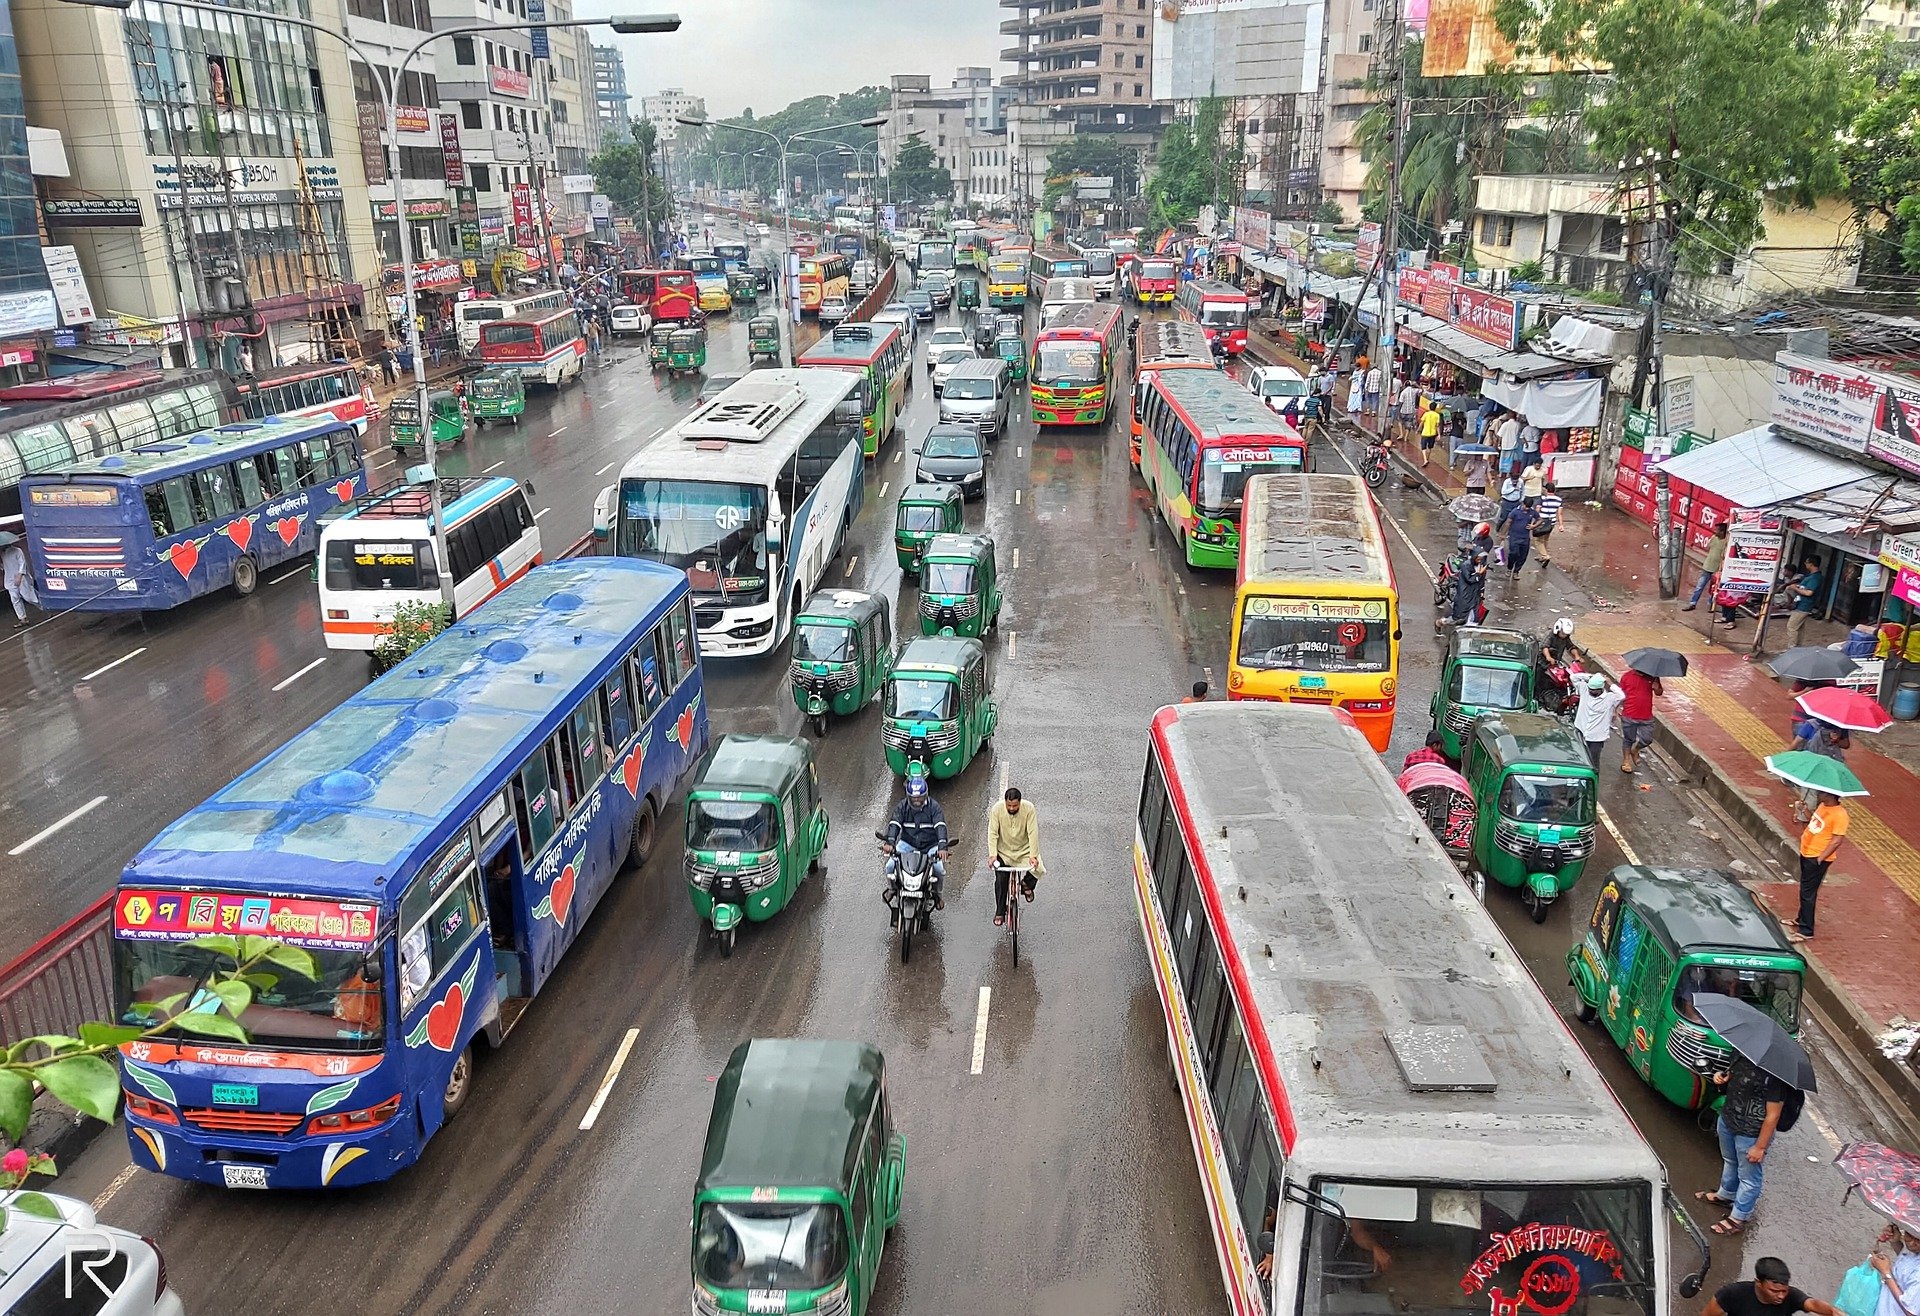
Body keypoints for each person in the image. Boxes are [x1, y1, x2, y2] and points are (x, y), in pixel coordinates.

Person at [1699, 1053, 1794, 1233]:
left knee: (1749, 1178)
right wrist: (1721, 1077)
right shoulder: (1739, 1056)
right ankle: (1726, 1194)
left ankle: (1738, 1217)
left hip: (1751, 1133)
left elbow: (1773, 1115)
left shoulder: (1775, 1074)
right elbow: (1732, 1081)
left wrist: (1760, 1146)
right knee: (1730, 1160)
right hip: (1728, 1119)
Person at [884, 772, 949, 913]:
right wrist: (890, 842)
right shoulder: (902, 807)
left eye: (919, 797)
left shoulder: (934, 808)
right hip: (908, 844)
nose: (917, 800)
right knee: (889, 866)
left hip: (930, 846)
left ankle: (938, 895)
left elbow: (940, 827)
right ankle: (891, 889)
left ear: (925, 795)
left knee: (938, 870)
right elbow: (894, 824)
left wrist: (942, 847)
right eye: (914, 798)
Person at [1790, 790, 1848, 942]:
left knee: (1808, 893)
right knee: (1805, 888)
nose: (1818, 794)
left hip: (1816, 857)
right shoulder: (1823, 806)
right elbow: (1814, 824)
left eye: (1822, 793)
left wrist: (1820, 858)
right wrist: (1804, 811)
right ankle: (1800, 919)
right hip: (1807, 852)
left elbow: (1836, 841)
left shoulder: (1840, 815)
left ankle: (1806, 930)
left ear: (1830, 795)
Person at [987, 786, 1044, 927]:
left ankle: (1026, 884)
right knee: (1001, 879)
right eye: (1009, 806)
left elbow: (1033, 833)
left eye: (1015, 806)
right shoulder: (997, 810)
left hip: (1023, 850)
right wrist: (993, 855)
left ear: (1020, 802)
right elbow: (993, 833)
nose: (1012, 808)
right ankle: (1000, 911)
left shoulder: (1029, 809)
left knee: (1038, 869)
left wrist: (1033, 856)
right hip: (1003, 852)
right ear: (1005, 803)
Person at [1702, 1259, 1839, 1316]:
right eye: (1774, 1291)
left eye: (1784, 1291)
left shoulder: (1791, 1296)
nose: (1781, 1296)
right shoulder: (1732, 1294)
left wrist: (1833, 1312)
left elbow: (1812, 1304)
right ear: (1758, 1283)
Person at [1574, 674, 1626, 768]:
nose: (1591, 691)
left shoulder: (1610, 699)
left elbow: (1621, 695)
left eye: (1594, 690)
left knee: (1593, 762)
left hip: (1596, 738)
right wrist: (1590, 676)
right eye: (1590, 689)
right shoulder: (1584, 690)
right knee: (1577, 759)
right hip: (1580, 732)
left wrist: (1609, 682)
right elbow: (1573, 677)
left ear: (1601, 689)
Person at [1618, 666, 1661, 774]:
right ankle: (1626, 761)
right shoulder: (1626, 677)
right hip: (1629, 714)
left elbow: (1659, 692)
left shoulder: (1653, 677)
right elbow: (1620, 695)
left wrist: (1657, 688)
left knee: (1647, 739)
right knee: (1629, 739)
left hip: (1646, 716)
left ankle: (1635, 749)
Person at [1870, 1227, 1920, 1316]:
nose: (1912, 1243)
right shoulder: (1914, 1253)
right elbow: (1907, 1269)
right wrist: (1895, 1242)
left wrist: (1886, 1273)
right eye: (1909, 1235)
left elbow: (1911, 1311)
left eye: (1918, 1240)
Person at [1684, 521, 1730, 610]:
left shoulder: (1726, 542)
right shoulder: (1713, 538)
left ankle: (1710, 605)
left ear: (1722, 532)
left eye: (1717, 530)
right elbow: (1709, 548)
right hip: (1707, 567)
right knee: (1699, 587)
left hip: (1717, 569)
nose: (1715, 531)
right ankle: (1693, 603)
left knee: (1713, 589)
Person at [1785, 556, 1825, 647]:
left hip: (1804, 605)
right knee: (1799, 628)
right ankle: (1798, 648)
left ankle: (1792, 649)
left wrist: (1795, 588)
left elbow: (1809, 593)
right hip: (1801, 604)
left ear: (1811, 564)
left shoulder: (1815, 578)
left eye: (1806, 562)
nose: (1805, 564)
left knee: (1791, 627)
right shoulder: (1812, 576)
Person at [2, 538, 36, 627]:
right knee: (15, 599)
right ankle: (22, 618)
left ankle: (45, 608)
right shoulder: (2, 554)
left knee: (29, 597)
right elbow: (4, 567)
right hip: (9, 579)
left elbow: (22, 563)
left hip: (21, 578)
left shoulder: (17, 550)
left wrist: (20, 575)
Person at [1505, 498, 1538, 577]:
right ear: (1522, 503)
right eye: (1525, 506)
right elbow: (1508, 522)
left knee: (1523, 556)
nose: (1527, 509)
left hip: (1525, 538)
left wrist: (1534, 526)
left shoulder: (1532, 512)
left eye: (1528, 507)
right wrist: (1504, 534)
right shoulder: (1515, 512)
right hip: (1514, 537)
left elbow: (1539, 519)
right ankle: (1509, 568)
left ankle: (1516, 571)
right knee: (1513, 553)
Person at [1533, 481, 1562, 568]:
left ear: (1546, 490)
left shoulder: (1541, 499)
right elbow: (1559, 513)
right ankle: (1541, 556)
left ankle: (1545, 556)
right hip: (1551, 522)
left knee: (1537, 540)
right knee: (1545, 539)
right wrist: (1561, 525)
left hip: (1541, 522)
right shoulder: (1559, 500)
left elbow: (1537, 510)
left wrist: (1533, 522)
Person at [1418, 400, 1442, 467]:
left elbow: (1421, 423)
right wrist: (1439, 434)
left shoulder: (1426, 414)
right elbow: (1437, 426)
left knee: (1423, 447)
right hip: (1433, 433)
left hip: (1425, 433)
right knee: (1430, 447)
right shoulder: (1437, 415)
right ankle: (1427, 458)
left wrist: (1418, 430)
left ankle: (1425, 460)